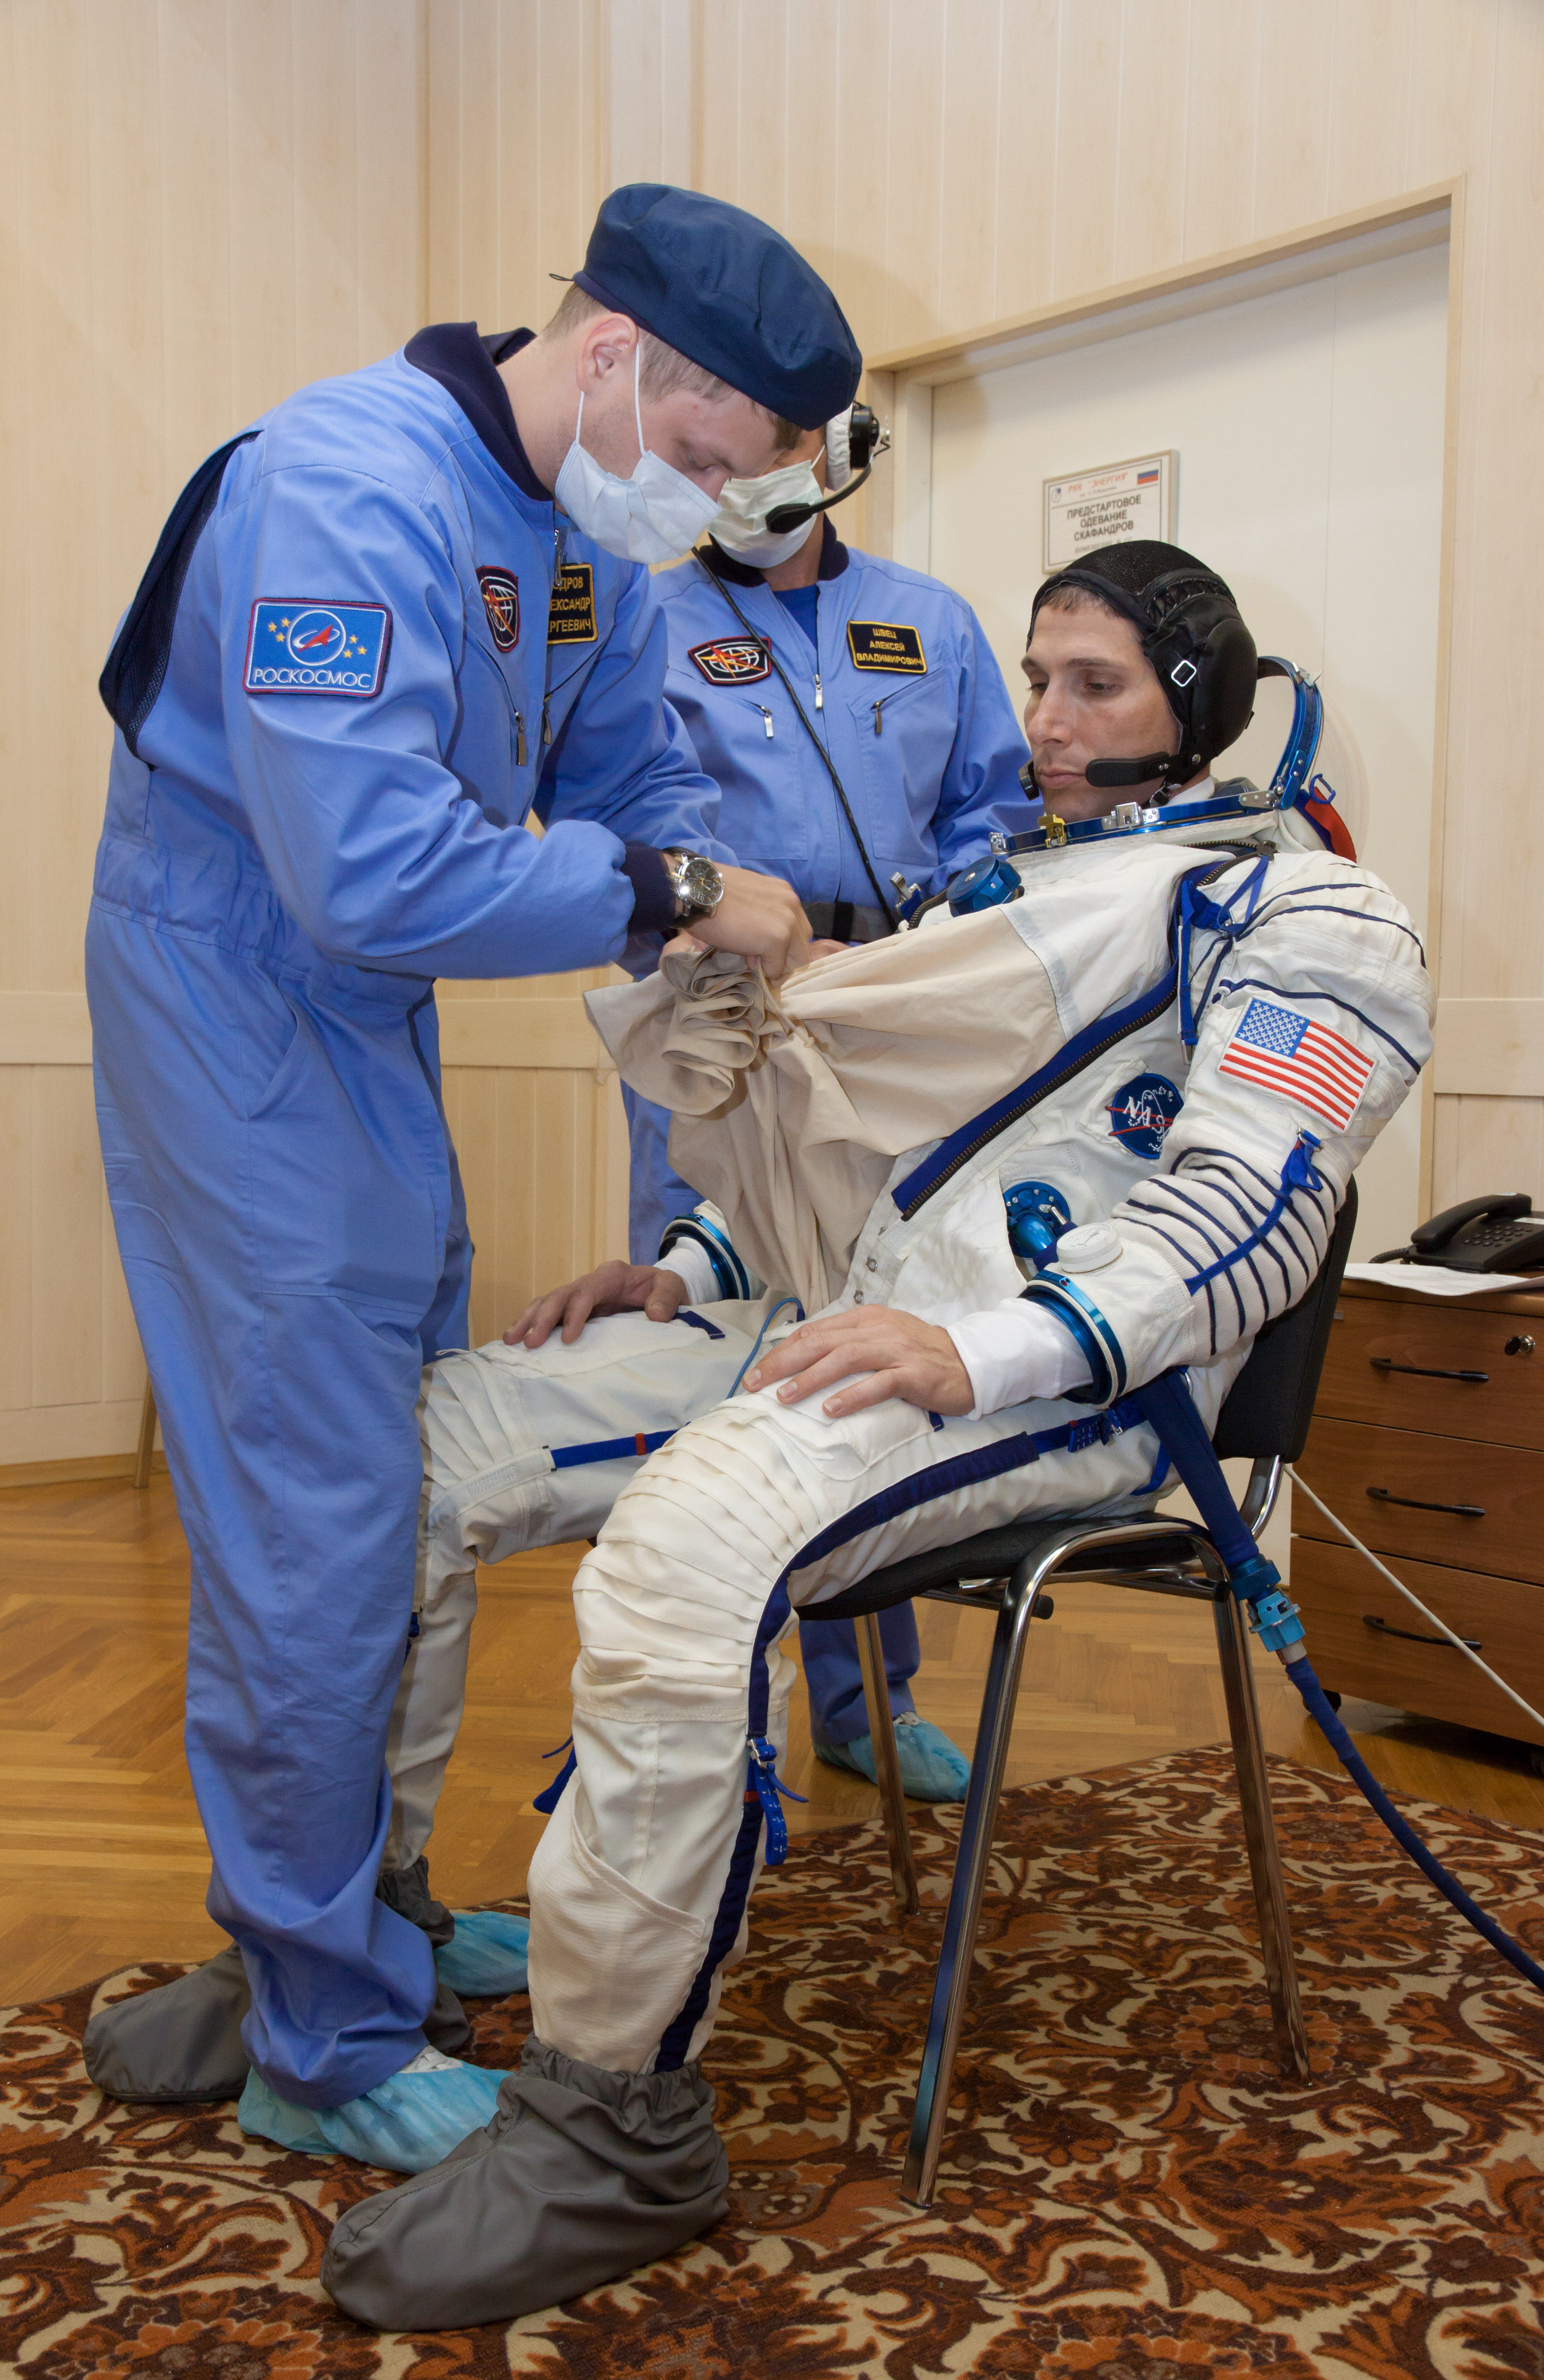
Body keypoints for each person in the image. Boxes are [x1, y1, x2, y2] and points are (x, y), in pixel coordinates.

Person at [316, 539, 1435, 2329]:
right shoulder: (996, 899)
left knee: (691, 1550)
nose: (1047, 720)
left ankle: (613, 2125)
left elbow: (1254, 1212)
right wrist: (688, 1273)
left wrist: (987, 1348)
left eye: (1095, 686)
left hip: (1077, 1390)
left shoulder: (1305, 915)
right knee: (419, 1450)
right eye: (1040, 679)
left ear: (1200, 708)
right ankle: (360, 1933)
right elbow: (859, 1160)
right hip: (870, 1328)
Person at [81, 183, 859, 2168]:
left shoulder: (585, 532)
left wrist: (701, 885)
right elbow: (368, 869)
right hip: (238, 999)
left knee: (407, 1466)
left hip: (365, 1022)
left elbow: (635, 782)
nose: (707, 508)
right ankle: (321, 2040)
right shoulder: (344, 491)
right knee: (317, 1526)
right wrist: (676, 896)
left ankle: (377, 1920)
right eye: (701, 460)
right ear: (611, 354)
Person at [625, 426, 1041, 1803]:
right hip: (726, 1013)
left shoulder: (928, 621)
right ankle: (704, 1702)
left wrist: (942, 947)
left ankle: (869, 1698)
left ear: (836, 449)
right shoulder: (644, 616)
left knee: (868, 1338)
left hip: (896, 1015)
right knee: (715, 1331)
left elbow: (994, 811)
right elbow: (629, 818)